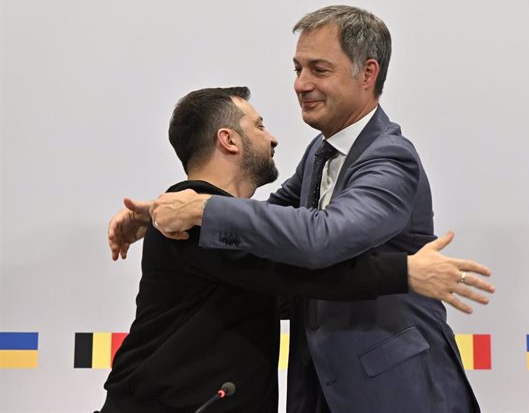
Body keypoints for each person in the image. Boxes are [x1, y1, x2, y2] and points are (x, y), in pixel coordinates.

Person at [101, 86, 492, 413]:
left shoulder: (206, 216)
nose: (272, 137)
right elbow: (303, 267)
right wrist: (405, 272)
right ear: (228, 140)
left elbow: (273, 228)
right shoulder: (196, 221)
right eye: (259, 125)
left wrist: (154, 212)